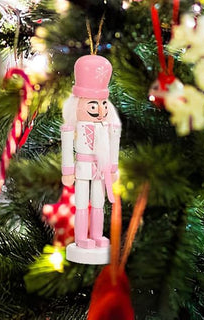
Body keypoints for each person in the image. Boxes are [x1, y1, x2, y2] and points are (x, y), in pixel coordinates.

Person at [60, 54, 121, 266]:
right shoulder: (71, 128)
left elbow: (113, 150)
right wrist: (67, 171)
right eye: (93, 105)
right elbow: (68, 150)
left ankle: (97, 235)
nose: (100, 110)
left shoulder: (108, 127)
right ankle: (81, 238)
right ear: (77, 104)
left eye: (103, 103)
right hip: (83, 169)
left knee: (98, 202)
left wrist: (113, 168)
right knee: (82, 204)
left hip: (101, 171)